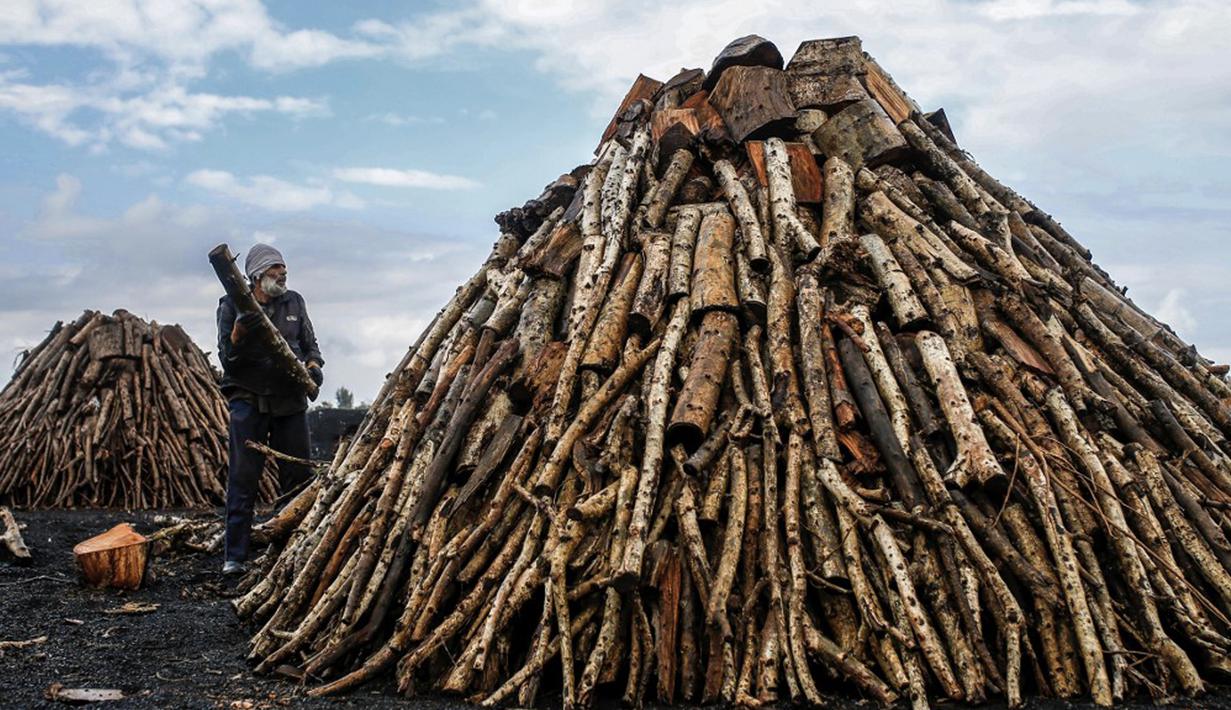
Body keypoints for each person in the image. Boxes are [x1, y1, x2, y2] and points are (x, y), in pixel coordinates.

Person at [216, 243, 324, 575]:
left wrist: (313, 366)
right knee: (243, 477)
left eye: (283, 268)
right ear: (256, 276)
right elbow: (227, 359)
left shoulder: (294, 302)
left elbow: (310, 345)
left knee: (298, 477)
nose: (282, 273)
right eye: (275, 269)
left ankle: (292, 550)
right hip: (248, 399)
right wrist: (238, 335)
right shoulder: (232, 305)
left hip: (289, 399)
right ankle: (235, 556)